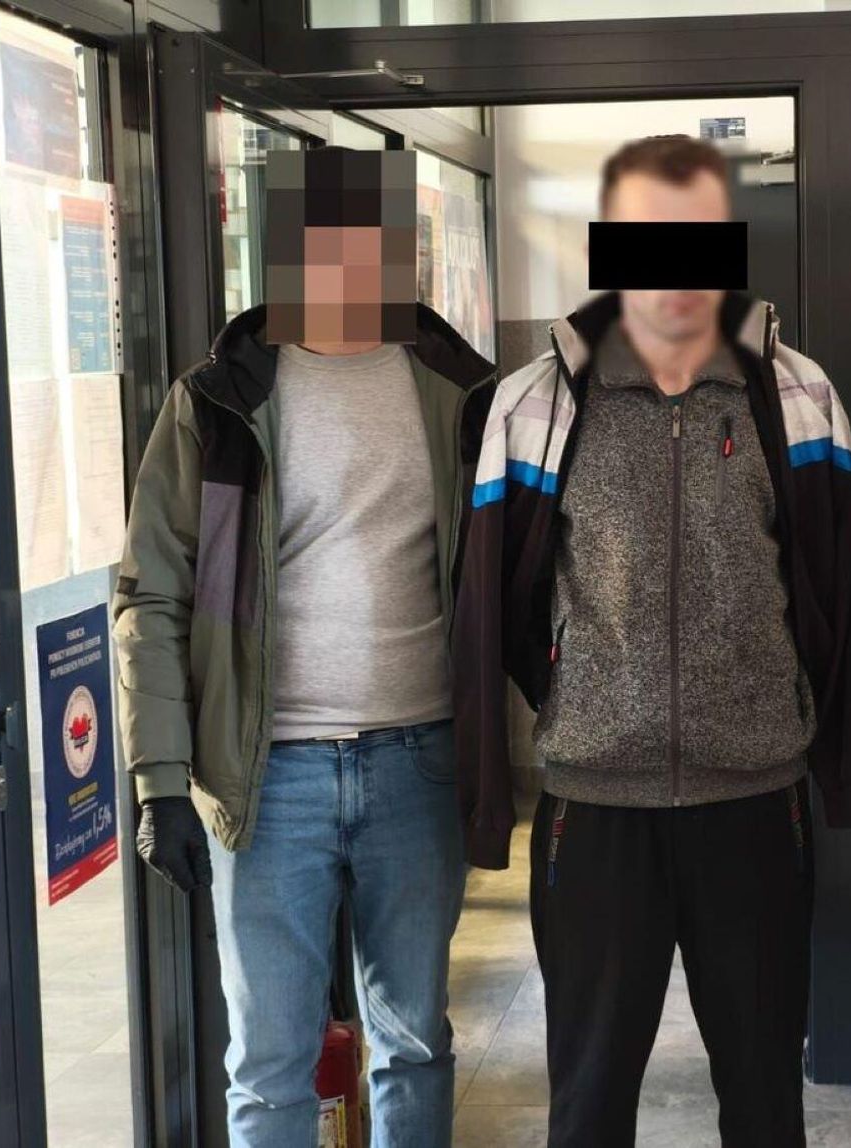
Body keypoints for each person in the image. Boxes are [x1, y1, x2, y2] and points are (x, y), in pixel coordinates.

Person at [452, 134, 851, 1148]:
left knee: (766, 1105)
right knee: (589, 1106)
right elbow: (499, 602)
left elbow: (834, 591)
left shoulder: (800, 395)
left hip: (755, 801)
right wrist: (581, 686)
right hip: (596, 812)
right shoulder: (535, 403)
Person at [113, 146, 496, 1148]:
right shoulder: (217, 402)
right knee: (270, 1065)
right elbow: (152, 592)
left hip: (421, 760)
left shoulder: (462, 393)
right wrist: (159, 782)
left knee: (415, 1041)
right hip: (266, 775)